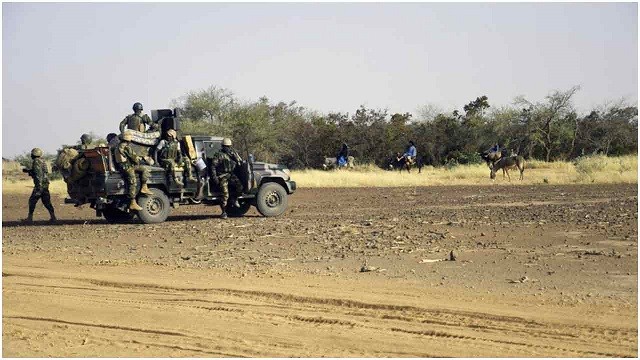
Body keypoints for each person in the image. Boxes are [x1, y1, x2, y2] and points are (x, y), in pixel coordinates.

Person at [114, 131, 154, 211]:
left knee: (143, 169)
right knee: (133, 182)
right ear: (128, 140)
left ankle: (144, 187)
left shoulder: (118, 146)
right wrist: (139, 160)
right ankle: (133, 202)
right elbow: (134, 157)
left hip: (123, 166)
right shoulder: (125, 147)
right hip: (127, 167)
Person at [209, 137, 243, 219]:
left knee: (240, 187)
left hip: (230, 175)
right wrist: (215, 178)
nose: (227, 148)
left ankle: (234, 198)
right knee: (225, 194)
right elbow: (213, 167)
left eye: (229, 146)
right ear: (223, 146)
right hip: (222, 176)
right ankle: (224, 212)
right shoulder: (219, 155)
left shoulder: (232, 154)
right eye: (226, 146)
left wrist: (235, 156)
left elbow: (239, 162)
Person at [23, 147, 56, 223]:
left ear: (34, 154)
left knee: (32, 201)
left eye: (32, 154)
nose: (31, 155)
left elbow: (38, 174)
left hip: (39, 186)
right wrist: (29, 171)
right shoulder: (42, 161)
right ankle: (53, 217)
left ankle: (29, 218)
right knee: (47, 202)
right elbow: (41, 172)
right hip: (45, 185)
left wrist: (38, 186)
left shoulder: (36, 161)